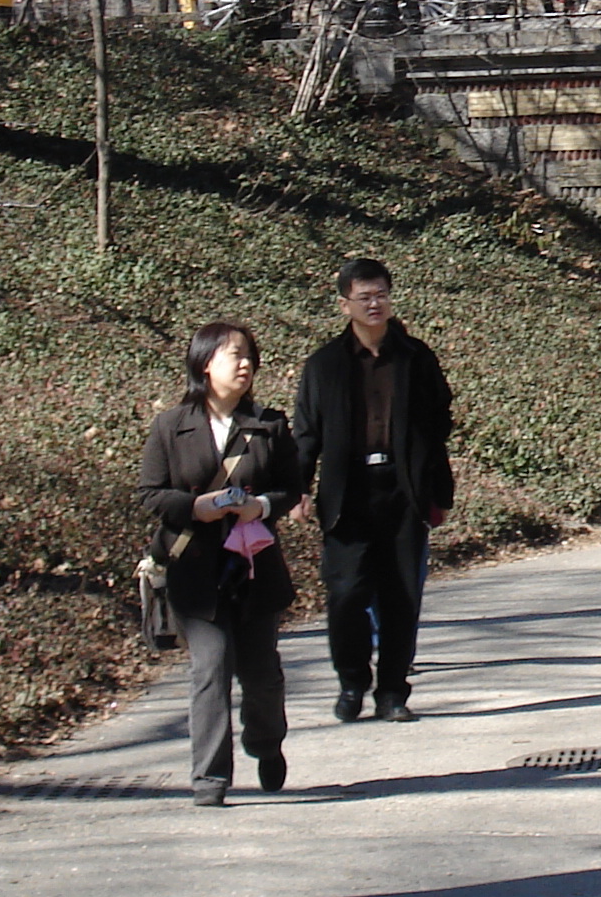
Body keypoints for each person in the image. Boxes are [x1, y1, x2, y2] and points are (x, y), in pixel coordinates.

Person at [139, 321, 304, 807]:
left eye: (250, 355)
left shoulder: (269, 425)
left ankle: (265, 741)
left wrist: (262, 507)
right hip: (196, 570)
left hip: (253, 568)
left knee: (261, 673)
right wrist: (197, 507)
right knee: (209, 668)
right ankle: (209, 778)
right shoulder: (171, 426)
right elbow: (151, 494)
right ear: (205, 362)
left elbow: (290, 488)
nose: (246, 364)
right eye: (235, 355)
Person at [295, 258, 455, 723]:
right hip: (348, 494)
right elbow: (307, 433)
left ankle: (392, 691)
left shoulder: (415, 357)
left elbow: (438, 423)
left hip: (402, 491)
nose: (374, 304)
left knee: (401, 595)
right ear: (344, 302)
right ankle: (351, 681)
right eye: (364, 296)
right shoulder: (324, 365)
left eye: (381, 294)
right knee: (344, 594)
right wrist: (298, 488)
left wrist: (436, 489)